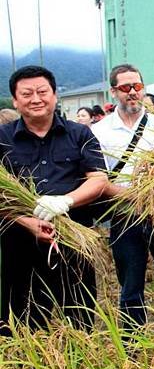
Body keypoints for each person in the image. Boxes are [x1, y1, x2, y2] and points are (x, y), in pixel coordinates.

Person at [0, 65, 107, 333]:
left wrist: (66, 201)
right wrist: (26, 221)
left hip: (73, 240)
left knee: (80, 317)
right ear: (15, 100)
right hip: (19, 243)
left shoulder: (79, 133)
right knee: (22, 322)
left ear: (54, 95)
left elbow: (98, 179)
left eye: (42, 91)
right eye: (26, 93)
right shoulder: (2, 138)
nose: (35, 99)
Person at [92, 63, 154, 332]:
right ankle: (133, 346)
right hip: (124, 216)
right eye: (125, 88)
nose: (132, 92)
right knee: (130, 286)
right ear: (114, 92)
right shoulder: (99, 132)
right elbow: (97, 178)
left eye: (137, 86)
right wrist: (133, 196)